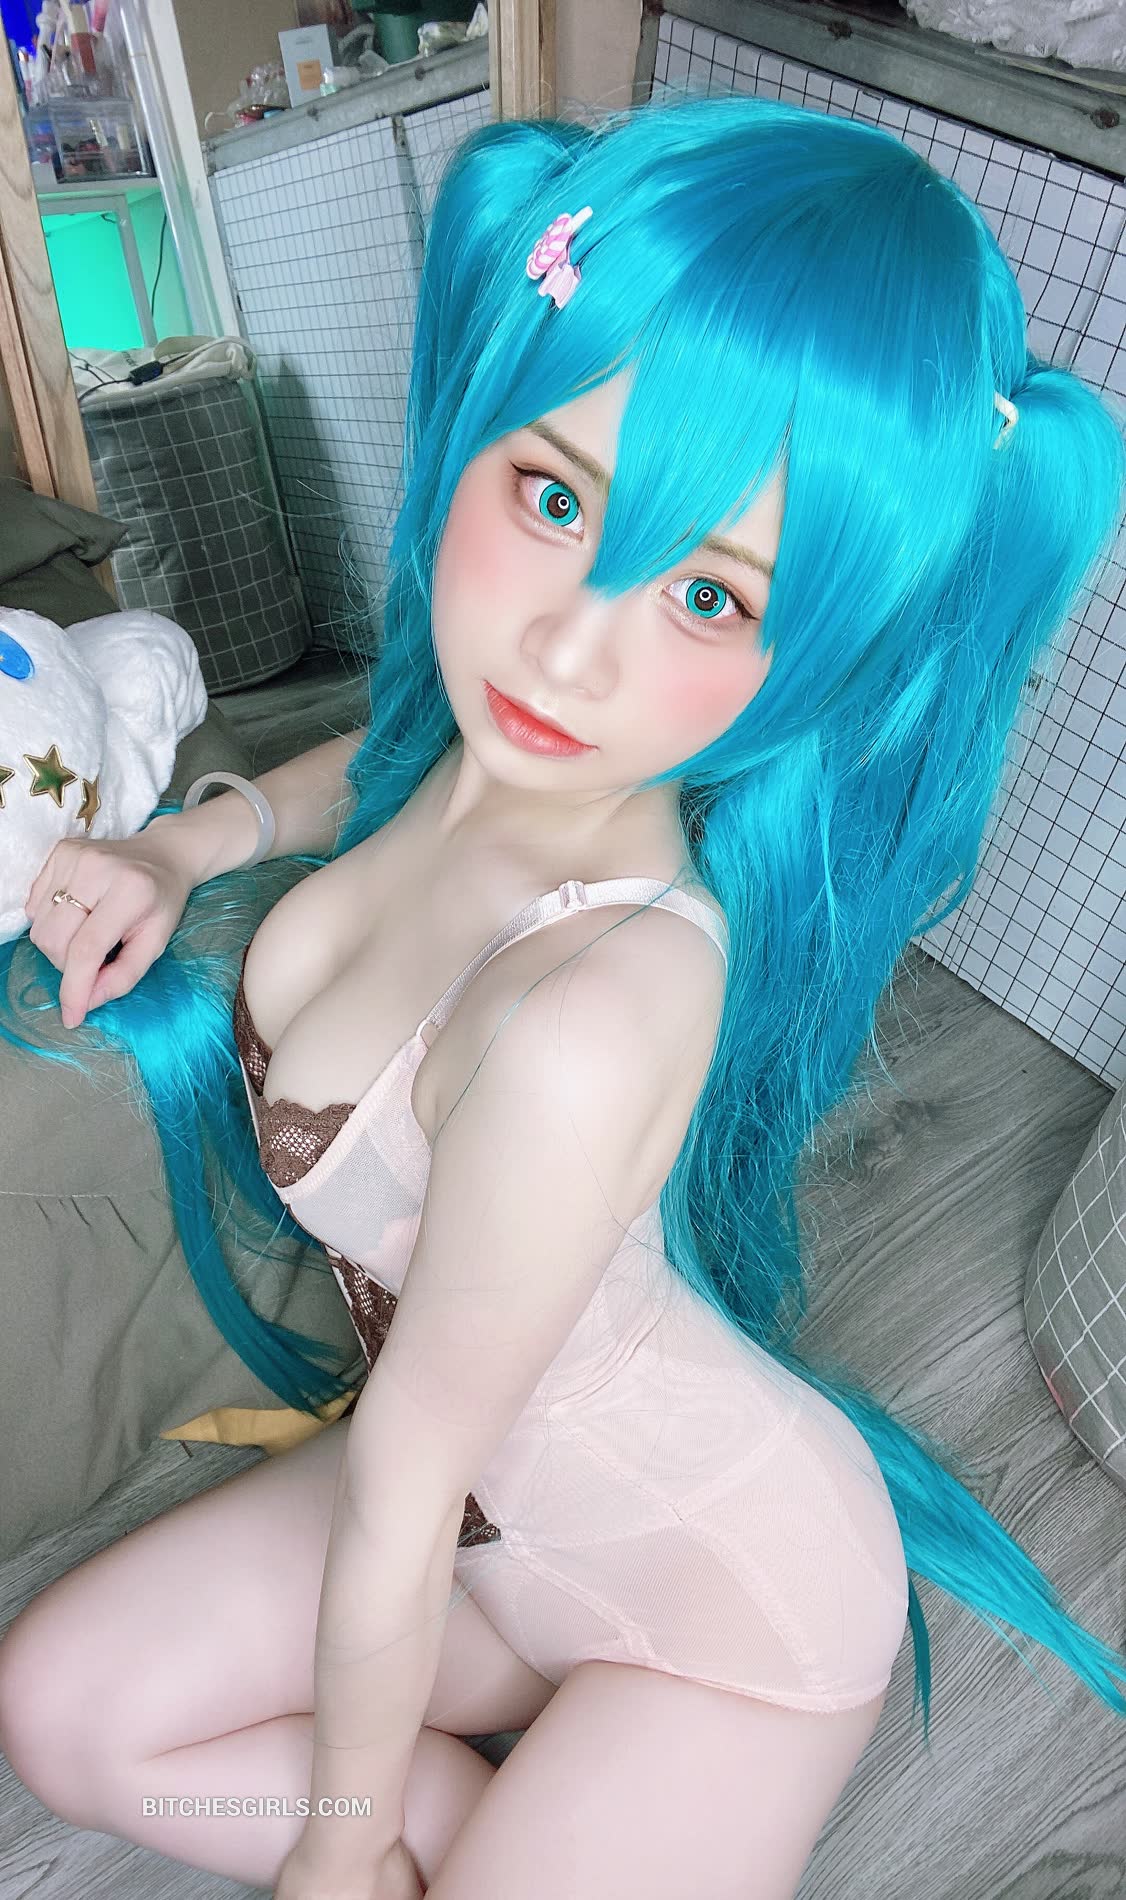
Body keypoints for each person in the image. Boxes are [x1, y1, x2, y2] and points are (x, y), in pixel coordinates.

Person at [1, 90, 1125, 1900]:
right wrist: (187, 843)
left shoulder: (594, 1011)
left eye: (708, 596)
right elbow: (382, 778)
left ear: (817, 655)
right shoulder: (499, 747)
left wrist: (334, 1856)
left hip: (710, 1615)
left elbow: (398, 1485)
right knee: (70, 1720)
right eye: (553, 496)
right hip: (479, 1532)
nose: (566, 645)